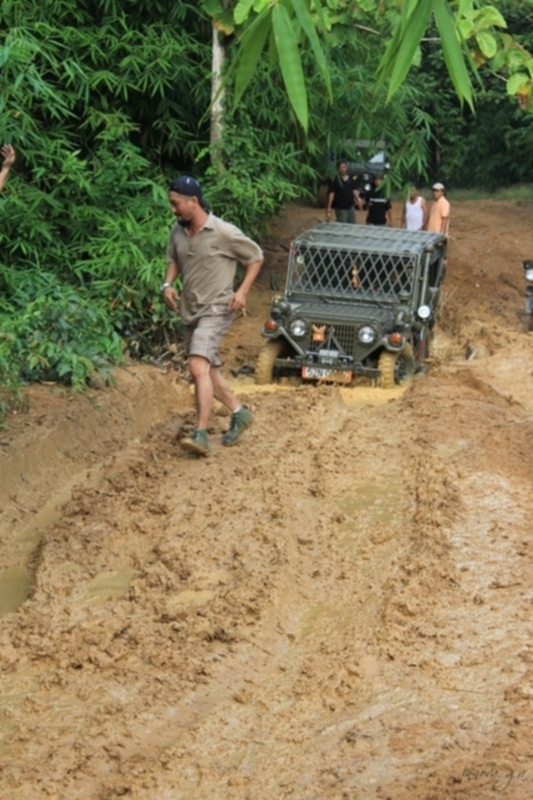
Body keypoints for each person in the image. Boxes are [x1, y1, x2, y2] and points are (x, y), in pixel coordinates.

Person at [162, 176, 264, 456]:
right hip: (190, 309)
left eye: (176, 204)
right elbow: (173, 259)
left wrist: (242, 292)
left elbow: (255, 257)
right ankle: (239, 412)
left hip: (218, 307)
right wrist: (168, 285)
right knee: (208, 371)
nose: (173, 209)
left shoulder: (223, 232)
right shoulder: (178, 231)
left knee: (197, 367)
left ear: (193, 201)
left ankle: (201, 433)